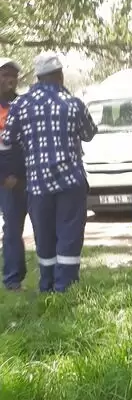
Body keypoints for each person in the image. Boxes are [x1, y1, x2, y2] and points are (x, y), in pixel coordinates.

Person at [1, 53, 96, 293]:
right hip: (70, 182)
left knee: (44, 237)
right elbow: (89, 133)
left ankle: (47, 285)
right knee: (69, 235)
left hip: (37, 183)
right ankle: (66, 287)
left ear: (37, 77)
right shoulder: (73, 103)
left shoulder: (20, 106)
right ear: (60, 76)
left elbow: (6, 141)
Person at [0, 57, 27, 291]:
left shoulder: (23, 104)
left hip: (29, 175)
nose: (10, 79)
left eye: (13, 75)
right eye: (4, 75)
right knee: (11, 229)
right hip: (7, 180)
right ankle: (12, 279)